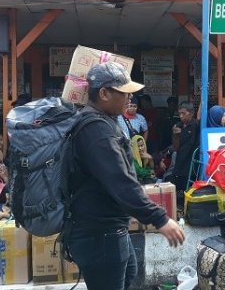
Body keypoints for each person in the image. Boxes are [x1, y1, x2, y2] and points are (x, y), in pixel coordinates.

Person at [63, 61, 185, 290]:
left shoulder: (102, 123)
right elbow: (120, 182)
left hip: (107, 229)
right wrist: (159, 218)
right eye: (124, 92)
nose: (129, 98)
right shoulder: (96, 130)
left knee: (130, 273)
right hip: (98, 234)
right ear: (104, 93)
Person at [166, 101, 199, 191]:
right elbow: (176, 147)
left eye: (183, 113)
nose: (181, 116)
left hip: (190, 161)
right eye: (179, 113)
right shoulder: (178, 125)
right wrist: (175, 135)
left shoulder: (195, 125)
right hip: (180, 160)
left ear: (191, 113)